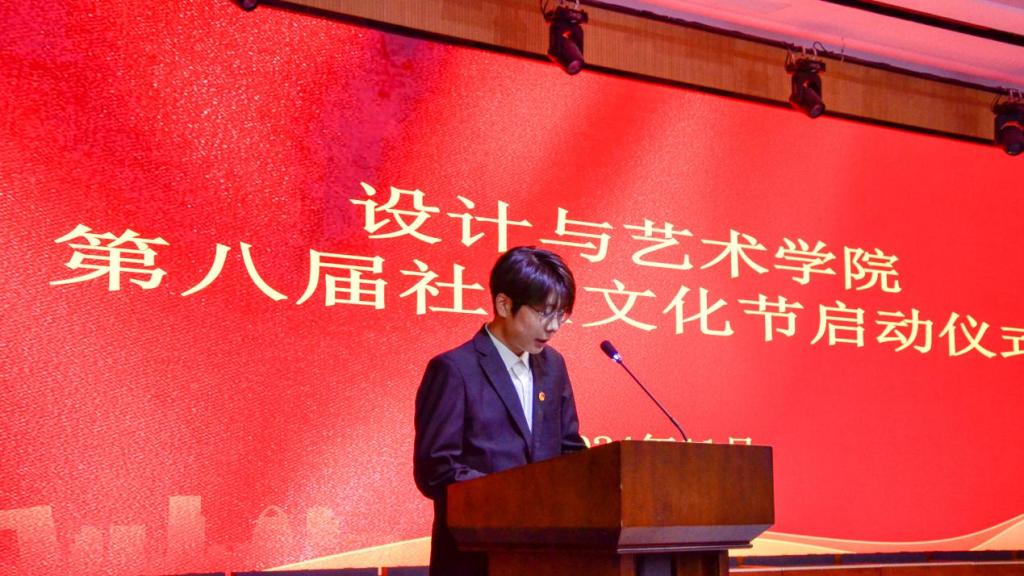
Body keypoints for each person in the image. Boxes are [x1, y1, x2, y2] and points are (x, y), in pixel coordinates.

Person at [413, 246, 587, 576]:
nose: (553, 327)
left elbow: (569, 450)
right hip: (475, 559)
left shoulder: (553, 366)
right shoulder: (454, 370)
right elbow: (436, 469)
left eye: (561, 315)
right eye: (544, 313)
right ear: (504, 304)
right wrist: (515, 498)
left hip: (546, 558)